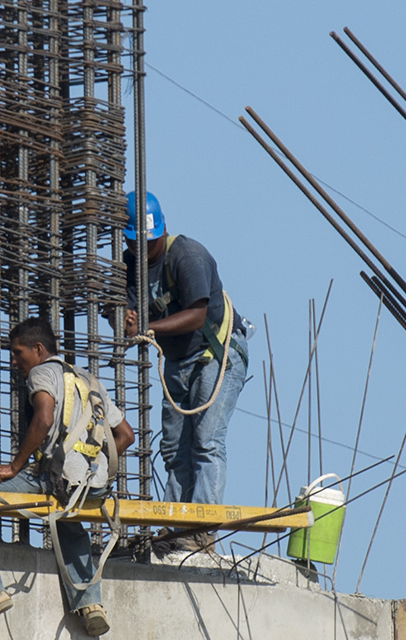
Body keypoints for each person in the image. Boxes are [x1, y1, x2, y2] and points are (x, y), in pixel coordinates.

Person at [0, 317, 135, 637]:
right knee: (67, 519)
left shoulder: (42, 372)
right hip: (94, 488)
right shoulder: (89, 379)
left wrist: (15, 466)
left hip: (59, 481)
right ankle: (91, 603)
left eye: (17, 352)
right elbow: (126, 435)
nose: (14, 361)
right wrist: (94, 465)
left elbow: (45, 417)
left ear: (38, 349)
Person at [122, 191, 249, 550]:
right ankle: (176, 525)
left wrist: (146, 326)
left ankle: (202, 526)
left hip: (216, 353)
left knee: (206, 441)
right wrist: (126, 318)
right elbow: (131, 309)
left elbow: (195, 315)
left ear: (161, 232)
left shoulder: (188, 256)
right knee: (175, 447)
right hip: (178, 360)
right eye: (135, 243)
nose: (142, 250)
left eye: (148, 242)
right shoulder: (130, 262)